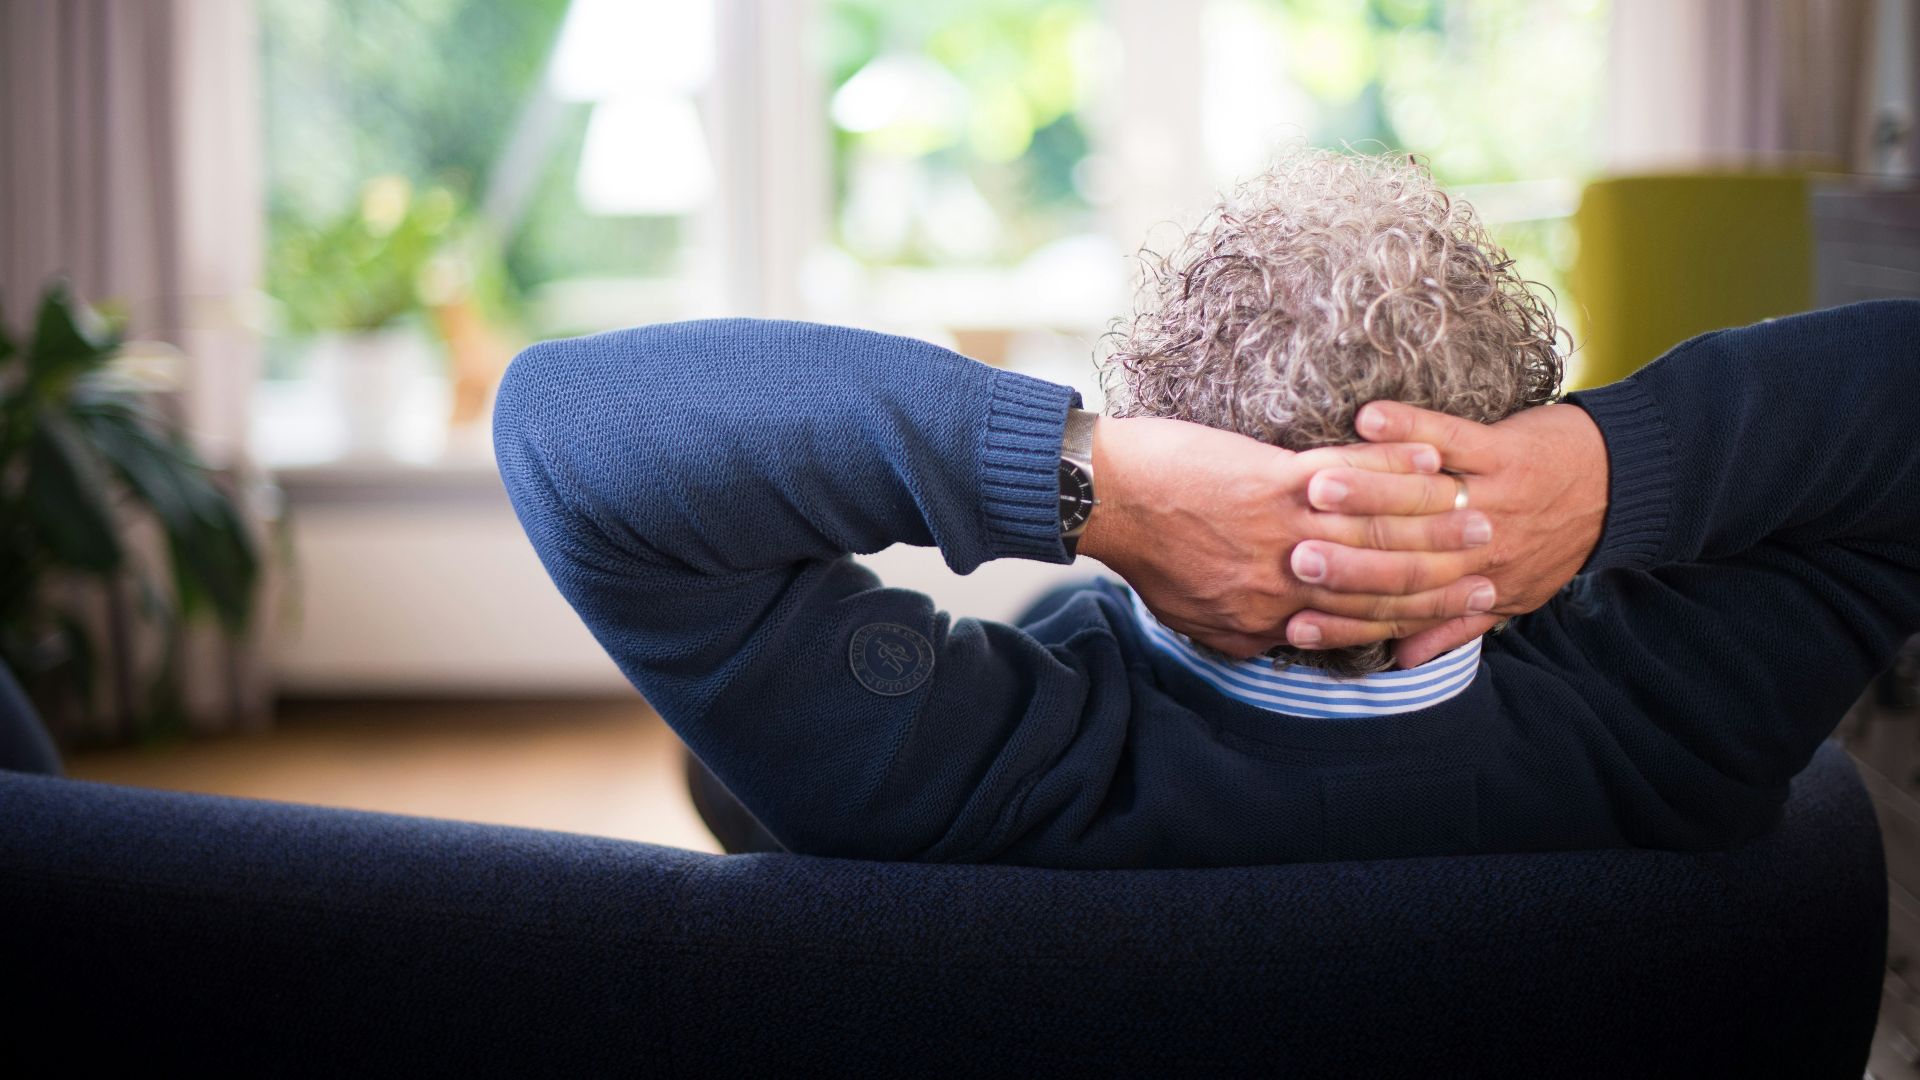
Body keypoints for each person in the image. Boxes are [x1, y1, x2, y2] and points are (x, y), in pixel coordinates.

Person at [493, 148, 1920, 868]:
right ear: (1512, 445)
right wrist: (1614, 472)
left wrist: (1087, 487)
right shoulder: (1674, 733)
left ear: (1164, 431)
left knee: (733, 773)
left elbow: (569, 429)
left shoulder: (966, 782)